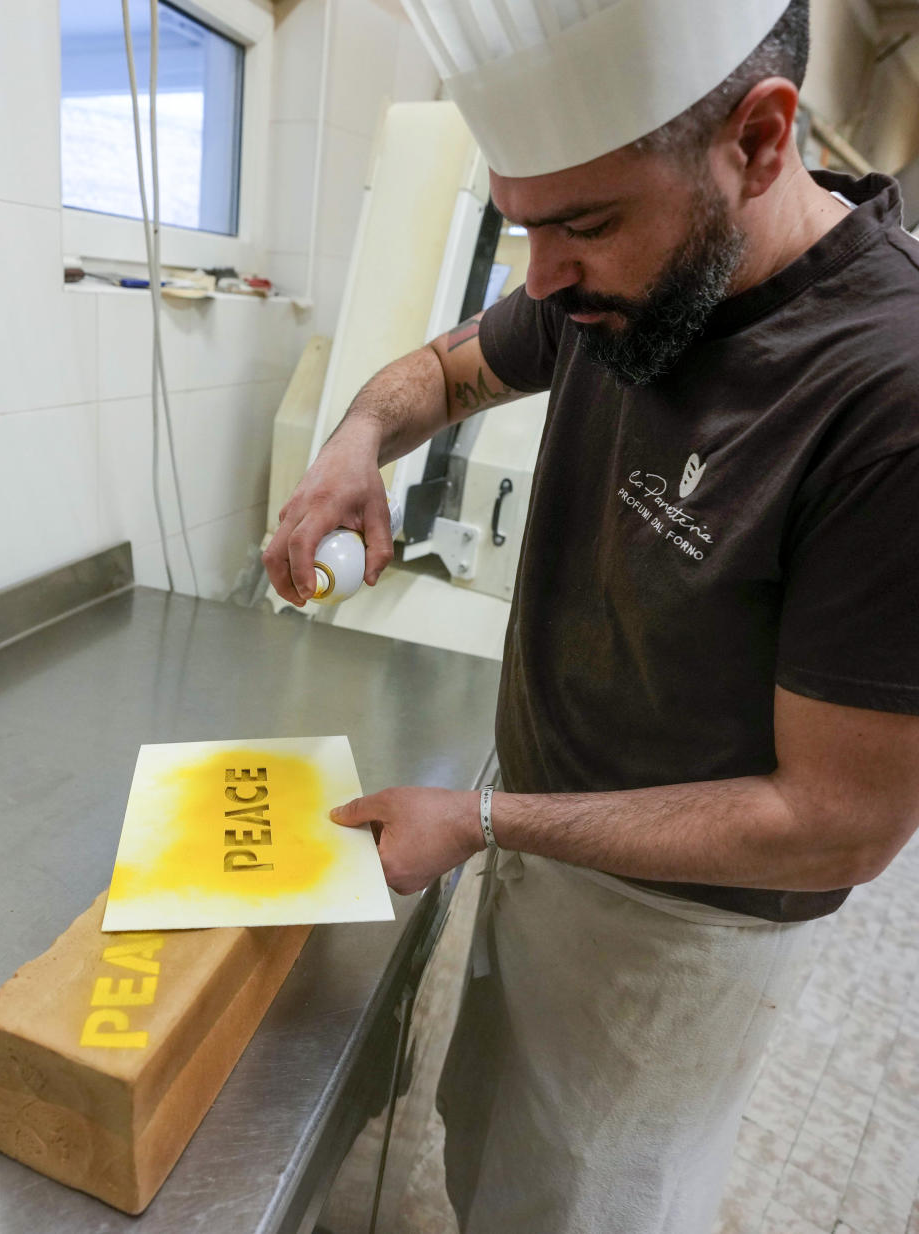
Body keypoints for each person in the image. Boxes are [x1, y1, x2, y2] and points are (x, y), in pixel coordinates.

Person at [262, 1, 919, 1229]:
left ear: (763, 139)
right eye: (525, 228)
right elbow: (446, 371)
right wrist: (356, 438)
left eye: (586, 224)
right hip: (543, 837)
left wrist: (484, 815)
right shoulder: (607, 284)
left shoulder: (885, 395)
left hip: (676, 940)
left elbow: (839, 825)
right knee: (494, 1153)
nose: (543, 280)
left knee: (582, 1202)